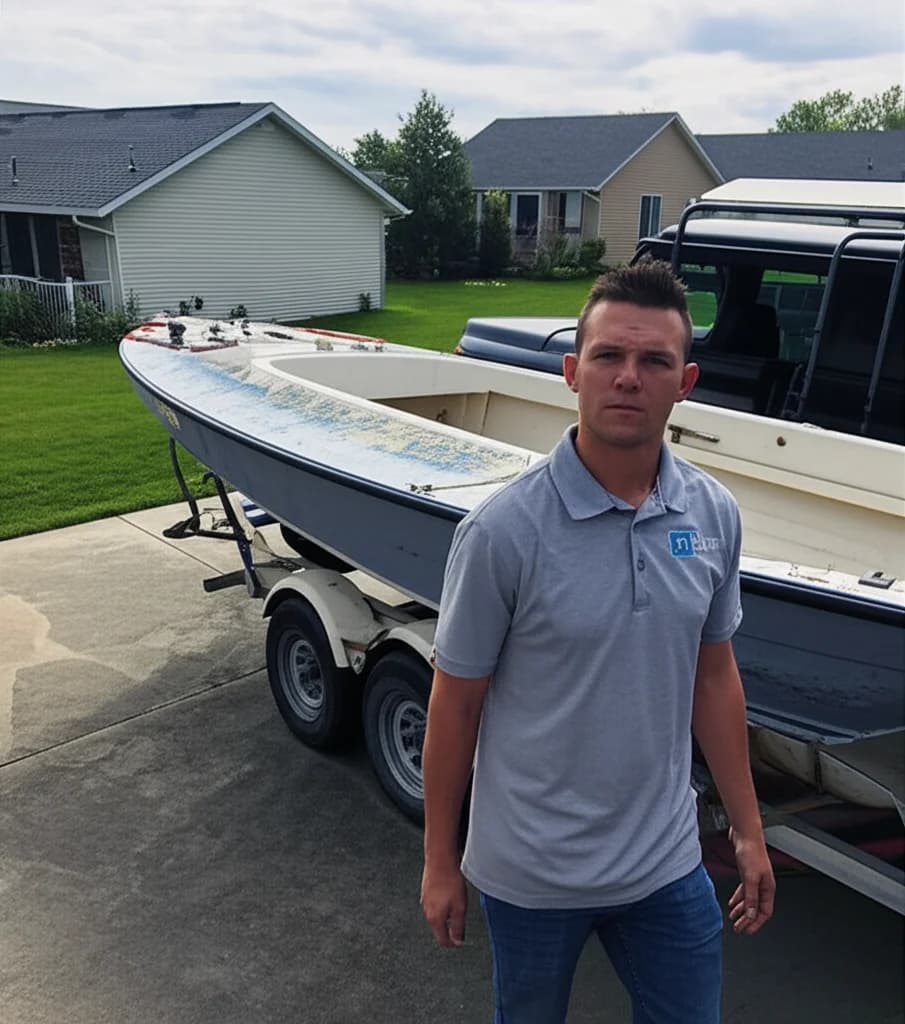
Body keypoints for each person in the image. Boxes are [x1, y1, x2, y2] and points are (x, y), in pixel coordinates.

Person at [420, 259, 775, 1024]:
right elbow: (454, 706)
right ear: (570, 372)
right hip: (530, 875)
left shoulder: (712, 515)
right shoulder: (503, 532)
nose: (627, 377)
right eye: (609, 356)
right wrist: (439, 861)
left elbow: (713, 679)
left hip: (664, 863)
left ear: (684, 382)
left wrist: (748, 831)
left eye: (652, 361)